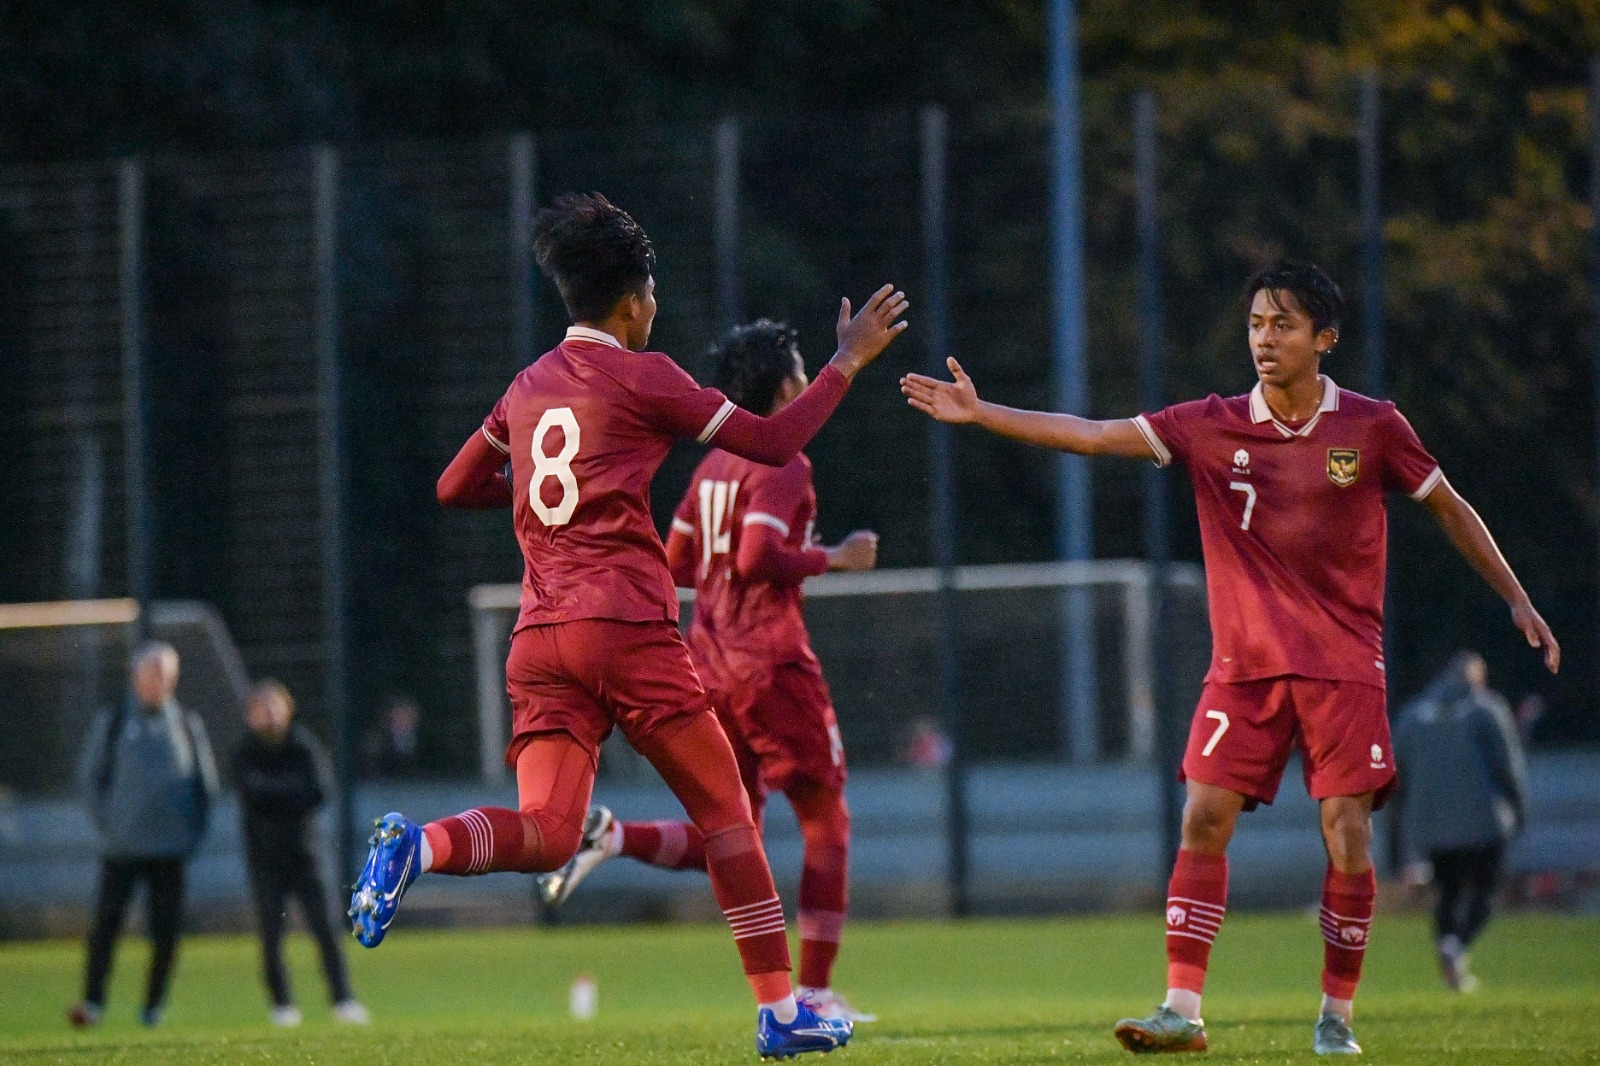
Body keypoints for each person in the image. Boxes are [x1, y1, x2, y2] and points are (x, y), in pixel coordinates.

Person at [901, 261, 1559, 1056]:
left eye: (1283, 325)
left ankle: (1336, 1016)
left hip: (1343, 665)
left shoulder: (1373, 426)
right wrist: (983, 414)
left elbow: (1450, 509)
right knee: (1202, 818)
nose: (1264, 340)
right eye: (1255, 324)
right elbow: (1094, 435)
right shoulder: (1208, 423)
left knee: (1346, 833)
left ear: (1326, 338)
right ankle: (1182, 1008)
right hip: (1243, 667)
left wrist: (1516, 596)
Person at [347, 192, 908, 1059]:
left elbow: (453, 487)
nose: (657, 309)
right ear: (632, 301)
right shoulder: (648, 376)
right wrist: (846, 362)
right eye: (653, 296)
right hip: (625, 626)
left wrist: (540, 502)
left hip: (540, 638)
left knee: (546, 835)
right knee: (729, 813)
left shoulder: (526, 386)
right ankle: (783, 1010)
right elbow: (770, 439)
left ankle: (420, 846)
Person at [534, 320, 880, 1023]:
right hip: (771, 663)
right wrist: (834, 557)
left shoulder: (715, 463)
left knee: (734, 832)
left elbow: (680, 562)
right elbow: (756, 557)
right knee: (827, 823)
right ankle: (812, 991)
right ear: (788, 384)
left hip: (711, 667)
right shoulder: (785, 463)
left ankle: (613, 836)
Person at [70, 641, 220, 1029]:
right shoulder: (115, 721)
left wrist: (192, 834)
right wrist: (110, 823)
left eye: (166, 674)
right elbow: (89, 780)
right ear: (135, 676)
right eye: (152, 672)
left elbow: (207, 786)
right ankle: (93, 1002)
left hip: (170, 851)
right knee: (106, 928)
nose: (159, 680)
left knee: (166, 932)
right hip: (121, 849)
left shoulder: (187, 723)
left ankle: (153, 1007)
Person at [234, 680, 369, 1027]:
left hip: (305, 854)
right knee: (271, 933)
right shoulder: (244, 752)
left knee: (326, 929)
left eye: (275, 707)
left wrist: (275, 795)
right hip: (264, 857)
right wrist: (288, 794)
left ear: (288, 709)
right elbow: (252, 795)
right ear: (250, 716)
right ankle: (282, 1005)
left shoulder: (303, 747)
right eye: (261, 709)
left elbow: (319, 791)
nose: (270, 715)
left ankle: (343, 1000)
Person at [1393, 652, 1527, 993]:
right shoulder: (1486, 710)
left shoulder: (1412, 715)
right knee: (1486, 891)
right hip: (1483, 820)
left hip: (1432, 826)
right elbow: (1507, 765)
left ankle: (1450, 945)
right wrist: (1518, 807)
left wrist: (1403, 834)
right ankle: (1458, 945)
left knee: (1448, 892)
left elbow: (1397, 777)